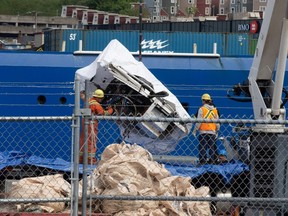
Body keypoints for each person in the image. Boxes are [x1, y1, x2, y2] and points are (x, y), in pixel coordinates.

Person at [79, 89, 114, 165]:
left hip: (85, 122)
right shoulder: (96, 104)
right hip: (91, 125)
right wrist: (111, 109)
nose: (101, 100)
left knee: (83, 141)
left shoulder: (89, 101)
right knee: (91, 142)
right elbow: (103, 113)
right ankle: (91, 160)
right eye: (101, 98)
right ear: (98, 98)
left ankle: (80, 159)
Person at [192, 93, 221, 165]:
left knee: (202, 147)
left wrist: (195, 130)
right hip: (212, 132)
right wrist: (217, 131)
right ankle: (212, 161)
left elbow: (199, 121)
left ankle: (202, 161)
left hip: (203, 132)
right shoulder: (215, 110)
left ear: (203, 101)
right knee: (212, 147)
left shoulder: (202, 109)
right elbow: (217, 122)